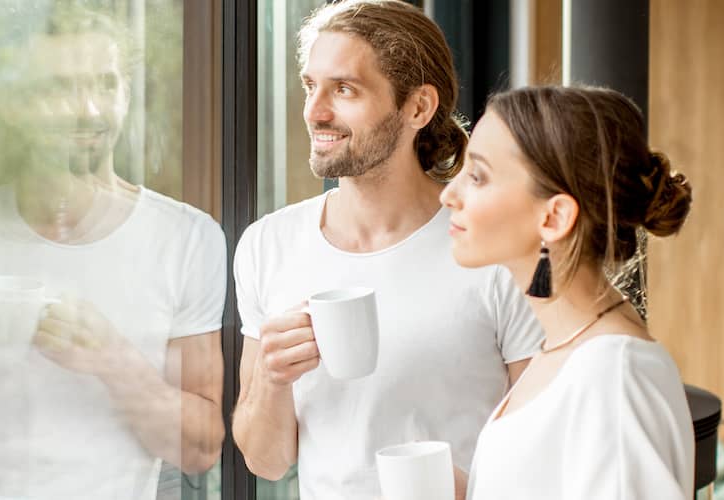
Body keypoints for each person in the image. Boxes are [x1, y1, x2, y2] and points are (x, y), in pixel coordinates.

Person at [0, 4, 225, 498]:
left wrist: (113, 359)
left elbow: (200, 450)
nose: (90, 110)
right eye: (59, 88)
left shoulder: (186, 238)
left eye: (106, 84)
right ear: (13, 104)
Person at [230, 1, 542, 498]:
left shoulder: (493, 253)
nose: (315, 111)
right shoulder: (267, 245)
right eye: (311, 85)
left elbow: (543, 452)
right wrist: (271, 379)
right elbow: (266, 462)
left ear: (418, 107)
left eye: (345, 89)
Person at [440, 84, 696, 499]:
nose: (449, 195)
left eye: (478, 176)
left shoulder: (613, 374)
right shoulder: (564, 351)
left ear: (554, 216)